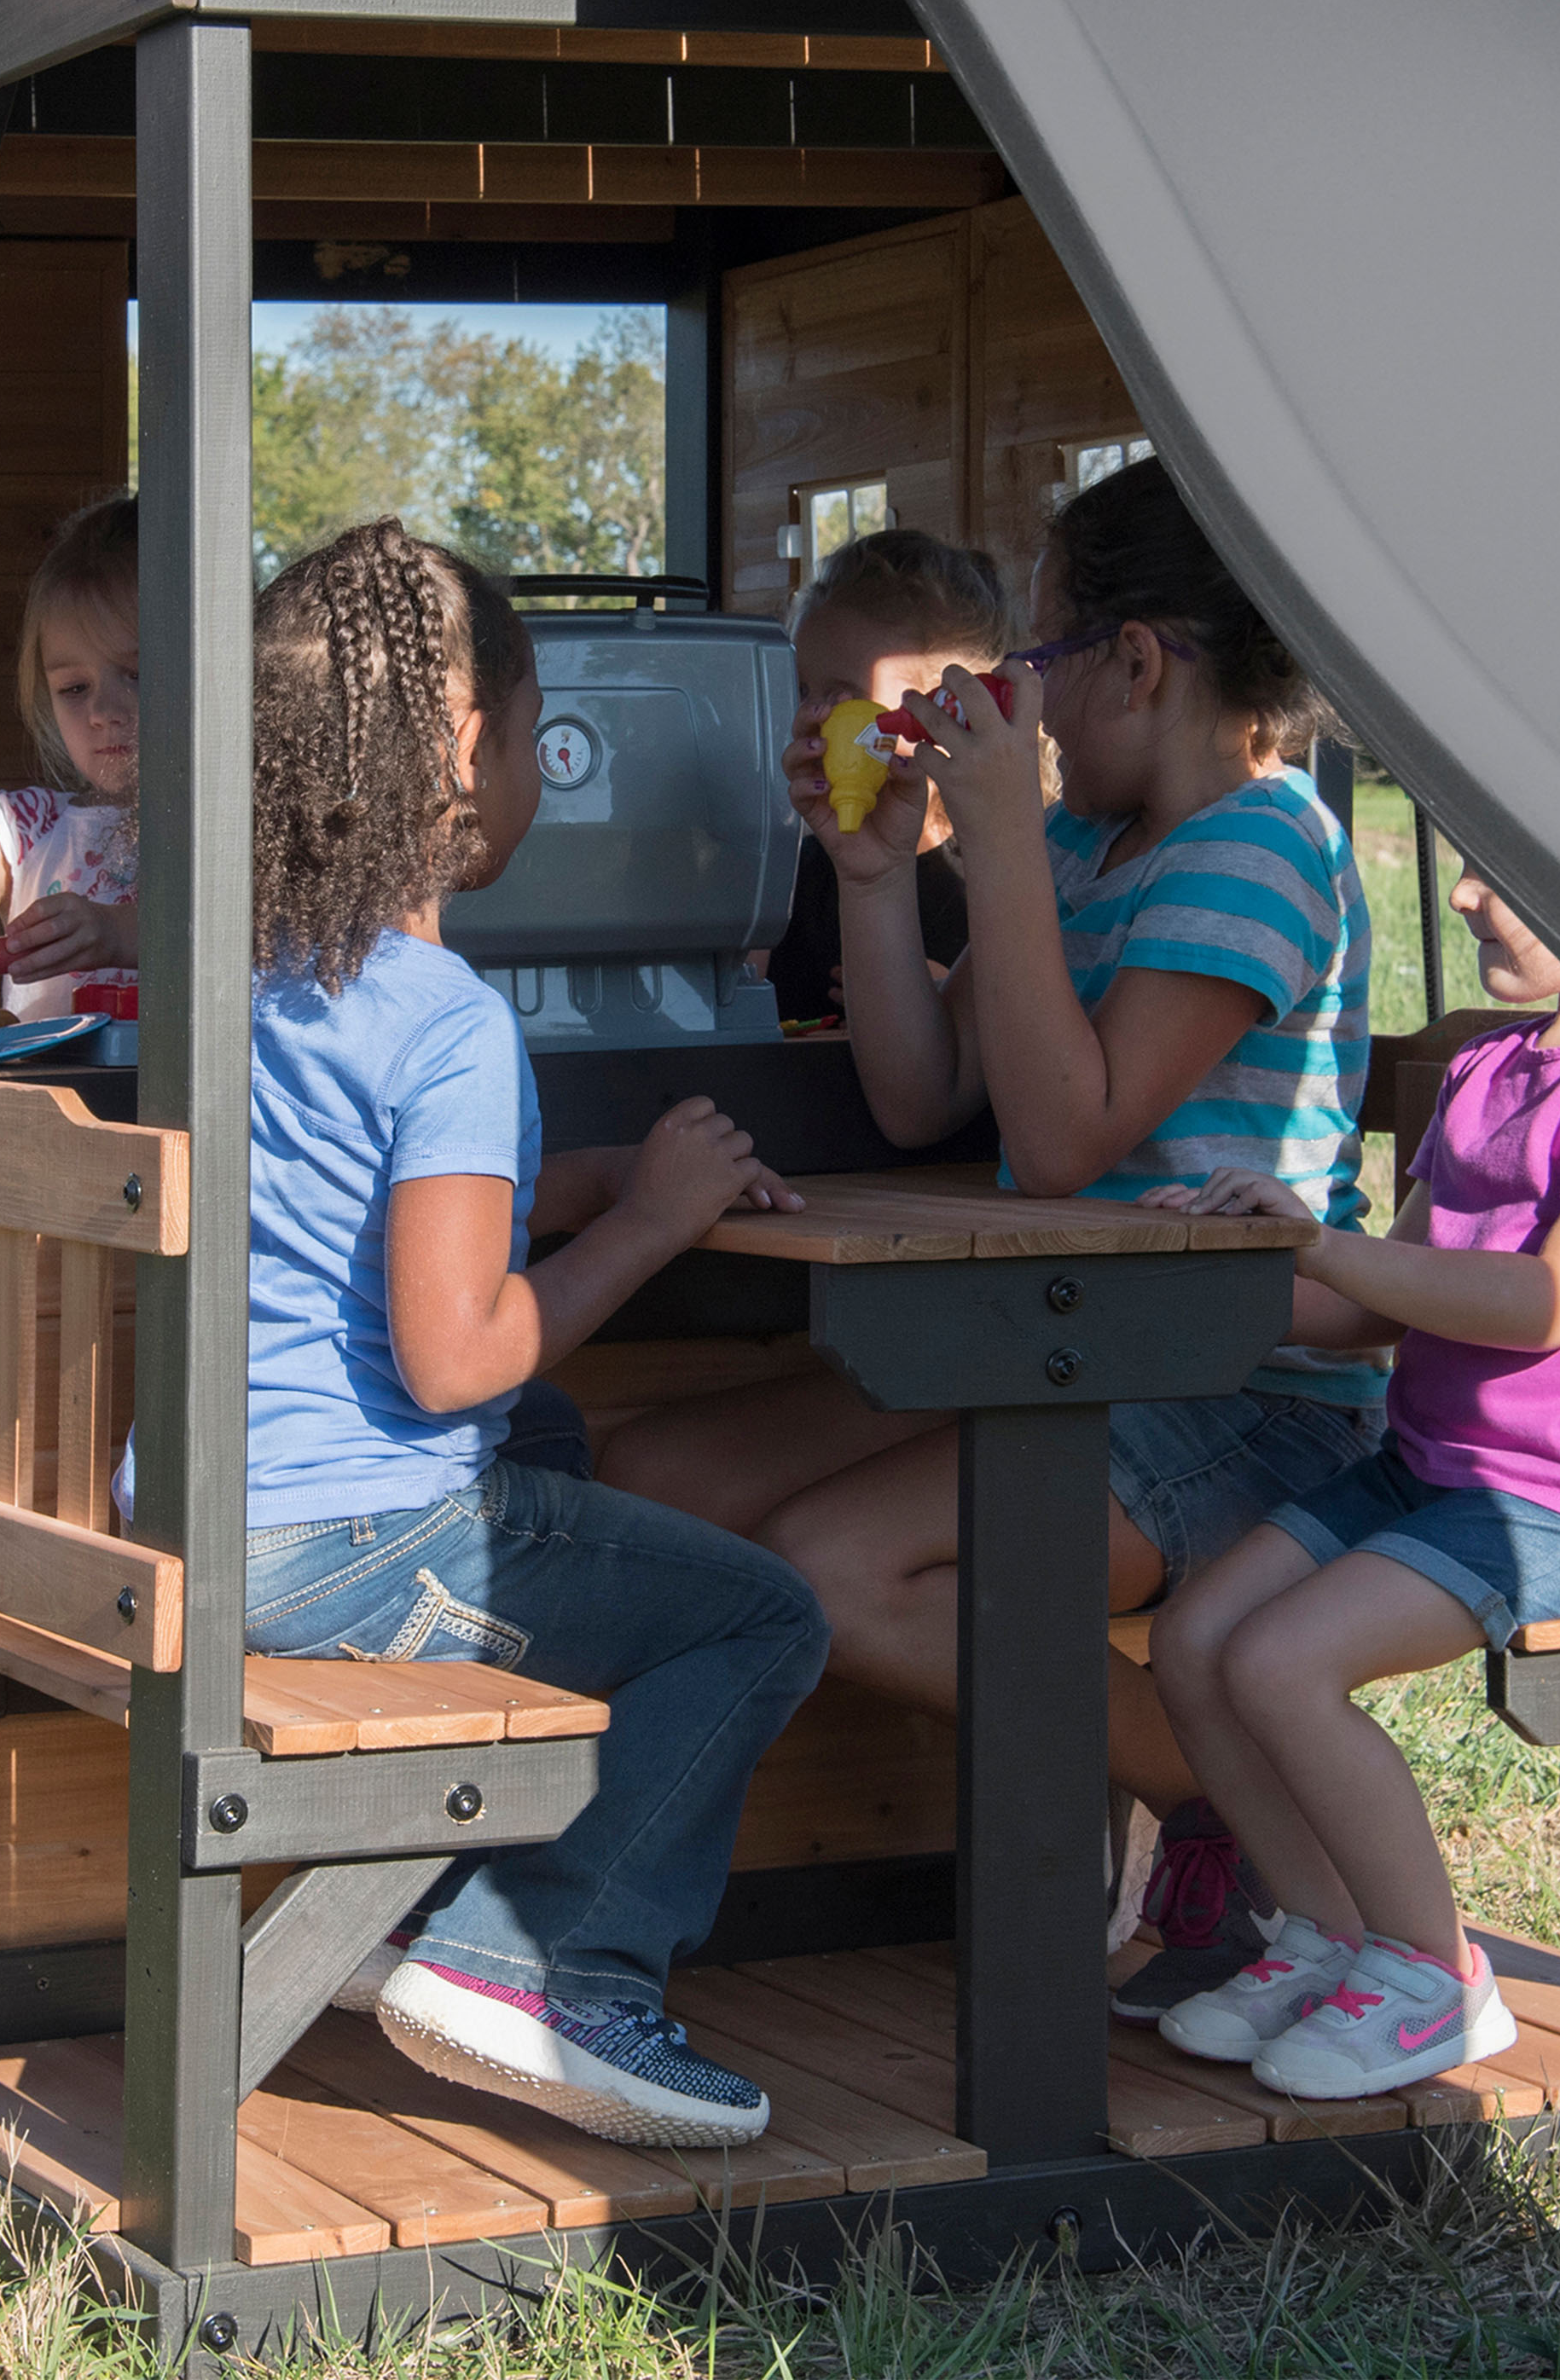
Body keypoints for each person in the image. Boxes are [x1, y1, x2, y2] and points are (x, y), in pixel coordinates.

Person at [597, 456, 1381, 2018]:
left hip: (1235, 1388)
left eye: (1031, 659)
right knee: (647, 1485)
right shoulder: (1094, 850)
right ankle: (585, 1903)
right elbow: (921, 1099)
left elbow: (1068, 1140)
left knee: (838, 1568)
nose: (1005, 696)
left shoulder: (1263, 847)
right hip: (1050, 1341)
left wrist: (1002, 843)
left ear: (1136, 664)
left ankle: (1227, 1799)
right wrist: (879, 876)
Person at [237, 521, 830, 2147]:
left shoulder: (265, 973)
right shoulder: (450, 1019)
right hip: (355, 1543)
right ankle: (548, 1964)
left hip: (218, 1515)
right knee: (761, 1620)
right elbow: (457, 1360)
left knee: (567, 1462)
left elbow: (350, 1210)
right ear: (468, 753)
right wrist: (650, 1225)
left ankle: (422, 1918)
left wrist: (566, 1184)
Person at [1143, 868, 1560, 2097]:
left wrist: (1324, 1242)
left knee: (1279, 1662)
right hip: (1422, 1470)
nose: (1471, 895)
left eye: (1509, 873)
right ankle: (1326, 1938)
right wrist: (1227, 1263)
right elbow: (1374, 1308)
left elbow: (1550, 1303)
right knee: (1194, 1636)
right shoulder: (1492, 1071)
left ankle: (1436, 1978)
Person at [763, 529, 1012, 1022]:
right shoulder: (787, 878)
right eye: (801, 690)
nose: (814, 714)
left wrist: (948, 997)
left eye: (844, 695)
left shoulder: (989, 882)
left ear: (947, 712)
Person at [0, 493, 142, 1021]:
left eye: (138, 675)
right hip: (43, 1105)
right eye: (74, 688)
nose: (102, 711)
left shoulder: (245, 830)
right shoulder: (27, 829)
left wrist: (120, 933)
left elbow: (269, 943)